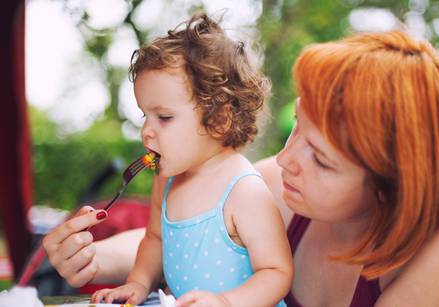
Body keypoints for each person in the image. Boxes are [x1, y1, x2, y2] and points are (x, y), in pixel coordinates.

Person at [43, 30, 439, 306]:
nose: (286, 159)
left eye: (322, 158)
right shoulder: (279, 180)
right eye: (298, 128)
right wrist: (95, 259)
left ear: (393, 186)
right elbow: (187, 231)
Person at [46, 13, 293, 306]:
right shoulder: (167, 180)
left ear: (220, 119)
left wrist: (225, 302)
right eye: (144, 115)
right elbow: (155, 240)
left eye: (163, 117)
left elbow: (276, 271)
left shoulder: (244, 190)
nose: (146, 132)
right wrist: (138, 282)